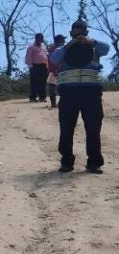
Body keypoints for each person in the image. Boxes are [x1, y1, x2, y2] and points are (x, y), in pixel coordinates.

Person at [49, 19, 110, 174]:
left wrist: (91, 41)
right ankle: (67, 162)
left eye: (82, 33)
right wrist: (69, 45)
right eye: (76, 33)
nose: (79, 36)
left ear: (86, 33)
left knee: (93, 129)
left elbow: (107, 48)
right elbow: (53, 58)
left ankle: (94, 163)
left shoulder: (95, 47)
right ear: (70, 33)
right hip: (69, 94)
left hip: (91, 94)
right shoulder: (64, 49)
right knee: (66, 129)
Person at [26, 33, 49, 102]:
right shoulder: (31, 47)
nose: (42, 39)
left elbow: (45, 56)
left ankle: (42, 97)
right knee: (34, 82)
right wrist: (31, 66)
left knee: (43, 82)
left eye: (42, 37)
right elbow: (28, 57)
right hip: (35, 66)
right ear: (36, 38)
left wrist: (47, 66)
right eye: (41, 37)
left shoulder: (43, 47)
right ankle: (33, 97)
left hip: (43, 66)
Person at [47, 35, 67, 108]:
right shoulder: (54, 49)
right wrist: (54, 70)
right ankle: (53, 103)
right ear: (59, 41)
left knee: (60, 87)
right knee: (53, 87)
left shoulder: (56, 48)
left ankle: (60, 102)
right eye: (63, 40)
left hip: (59, 70)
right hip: (54, 70)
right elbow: (51, 61)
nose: (64, 42)